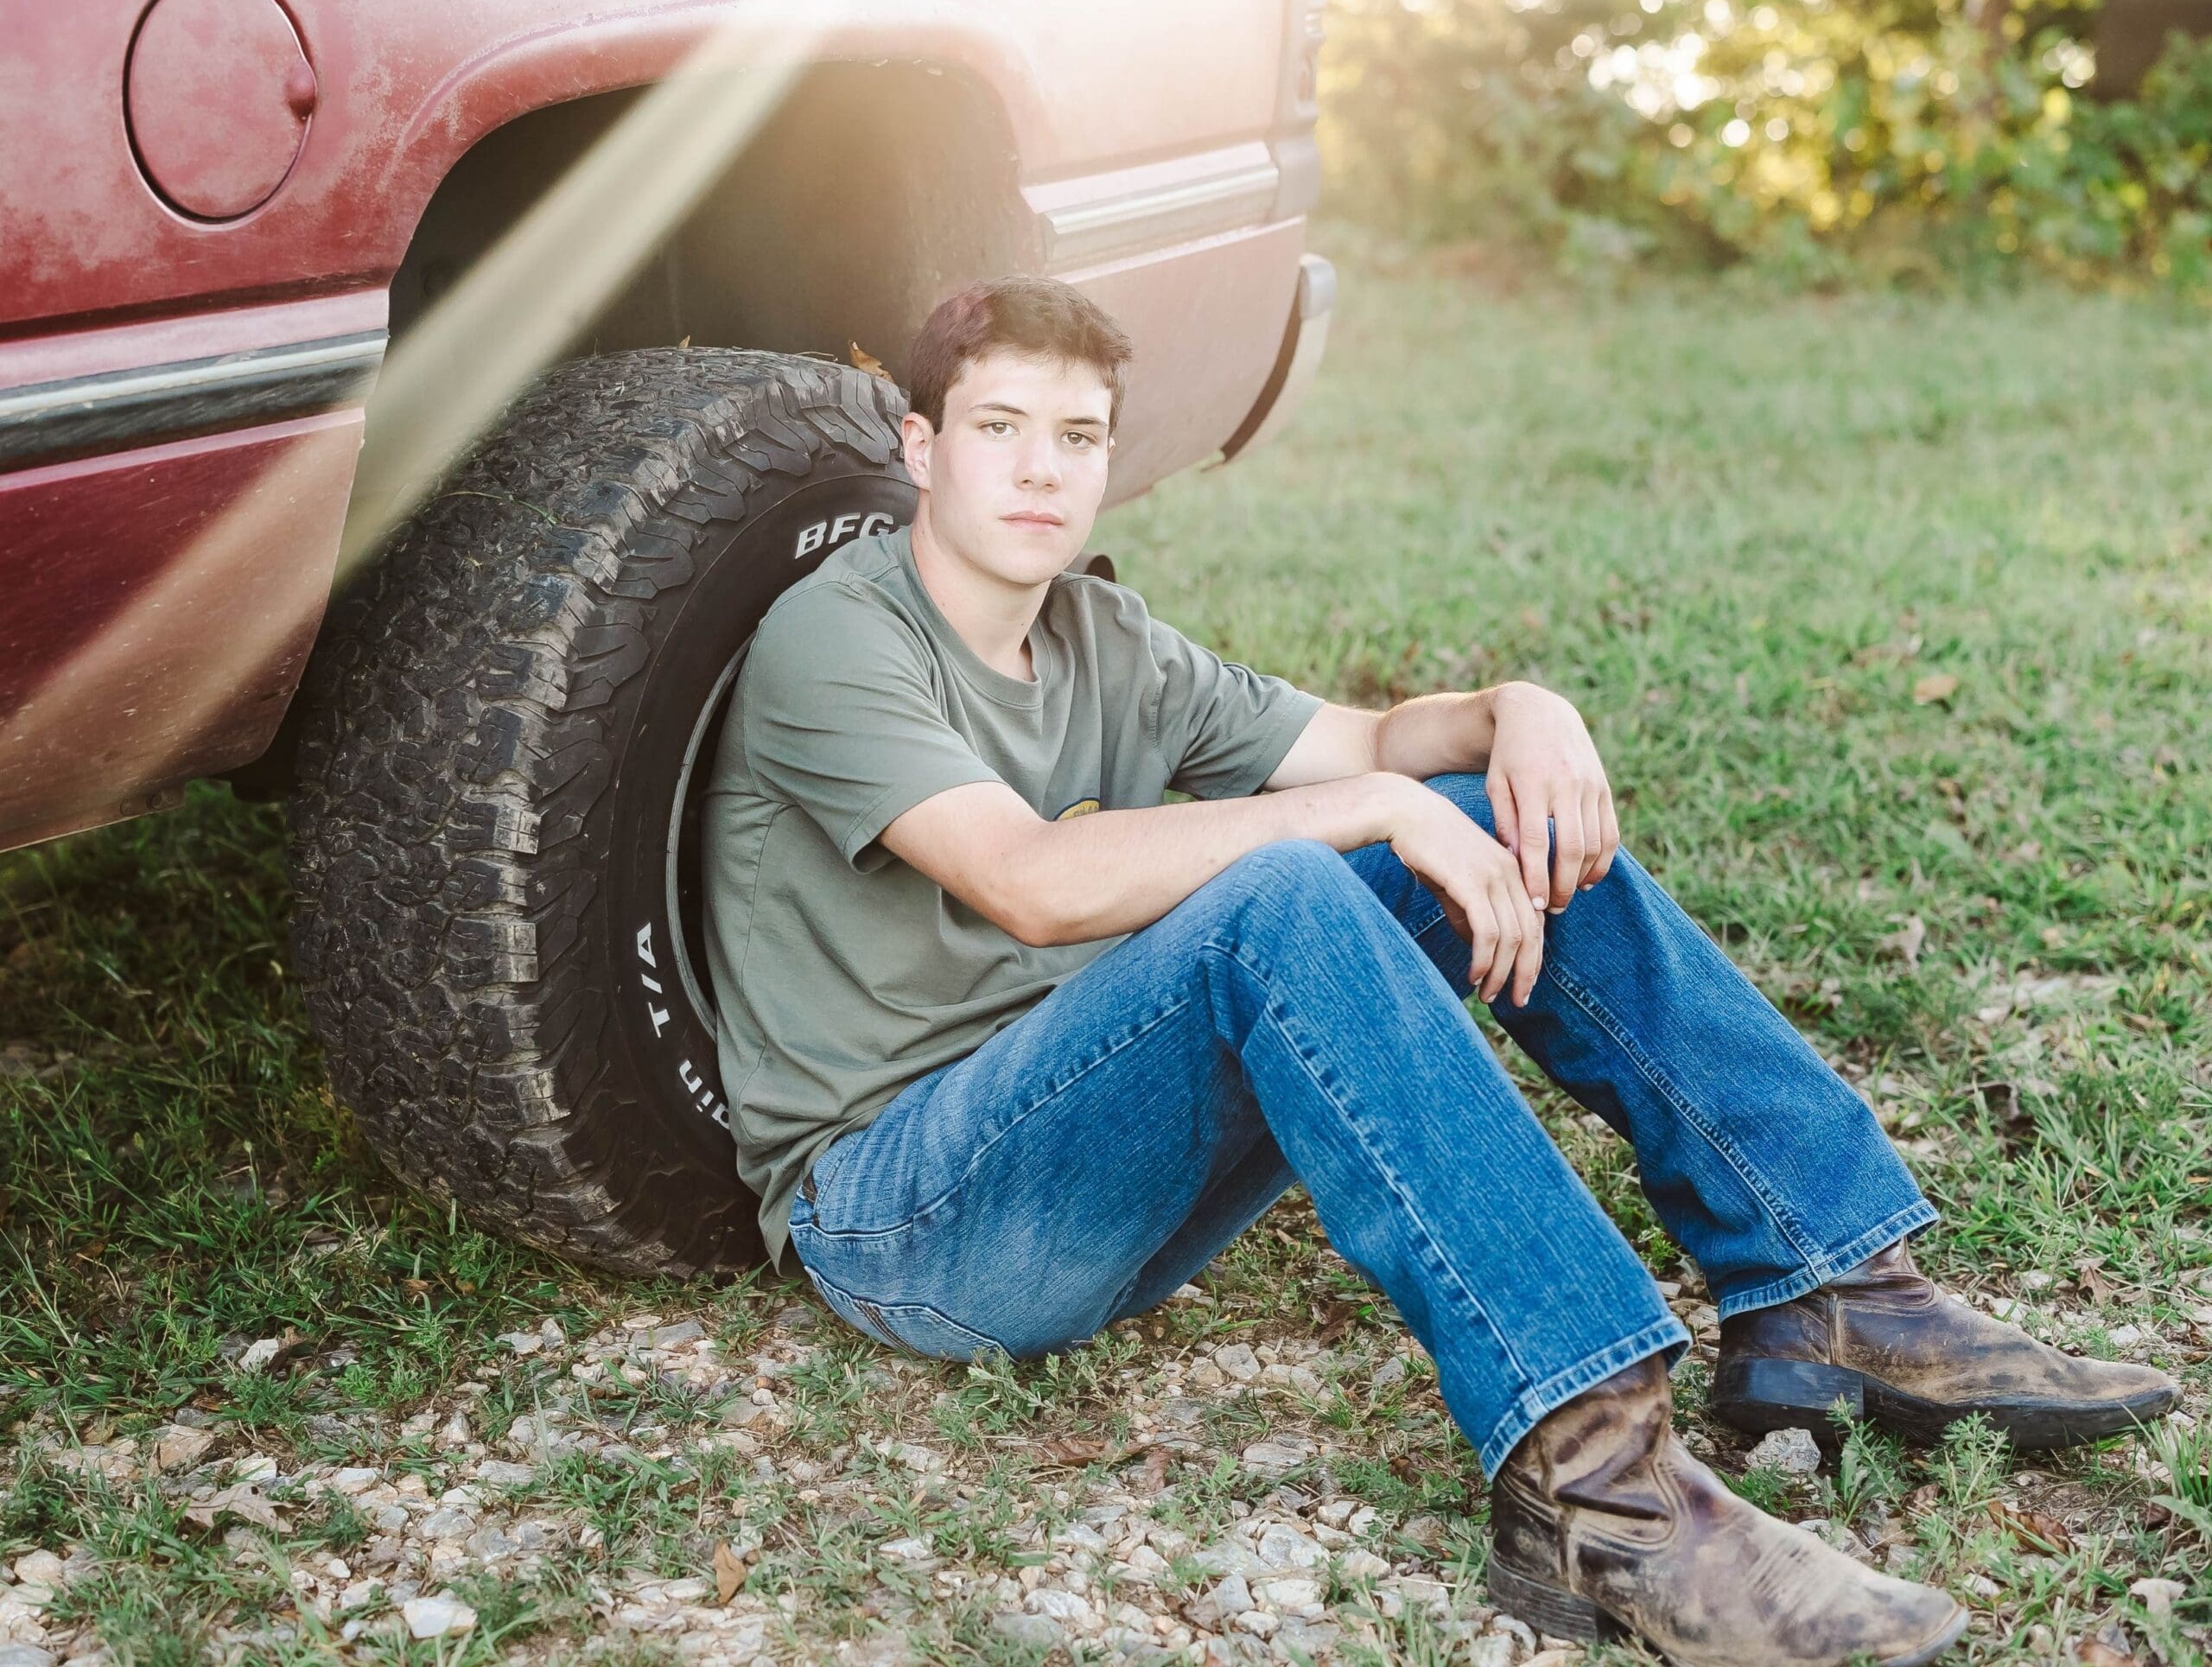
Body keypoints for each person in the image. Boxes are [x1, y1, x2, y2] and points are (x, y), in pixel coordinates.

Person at [700, 276, 2176, 1667]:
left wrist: (1518, 710)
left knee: (1475, 816)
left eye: (1076, 437)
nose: (1041, 470)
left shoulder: (1103, 637)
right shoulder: (836, 639)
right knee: (1286, 887)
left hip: (1096, 1150)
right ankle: (1603, 1492)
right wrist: (1369, 810)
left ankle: (1830, 1285)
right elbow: (1029, 881)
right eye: (998, 428)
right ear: (922, 448)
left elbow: (1371, 743)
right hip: (907, 1216)